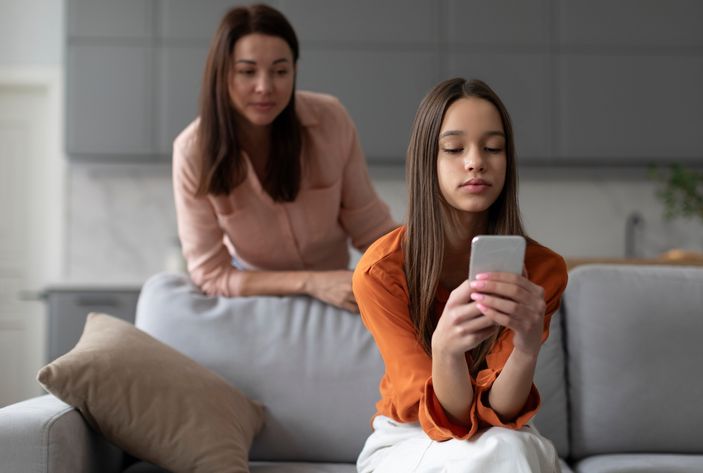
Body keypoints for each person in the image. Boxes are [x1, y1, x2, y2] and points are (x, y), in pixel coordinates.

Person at [352, 78, 568, 472]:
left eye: (493, 148)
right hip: (409, 432)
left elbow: (502, 411)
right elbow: (440, 418)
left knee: (506, 447)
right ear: (426, 160)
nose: (475, 161)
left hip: (503, 434)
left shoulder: (542, 271)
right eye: (454, 148)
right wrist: (446, 350)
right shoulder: (380, 271)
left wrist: (526, 348)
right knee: (501, 453)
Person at [172, 4, 396, 311]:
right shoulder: (192, 153)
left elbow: (371, 228)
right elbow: (211, 274)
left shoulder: (330, 120)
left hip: (335, 303)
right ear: (222, 74)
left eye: (280, 71)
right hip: (256, 301)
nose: (265, 87)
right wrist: (312, 282)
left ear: (294, 71)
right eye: (248, 72)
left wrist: (427, 269)